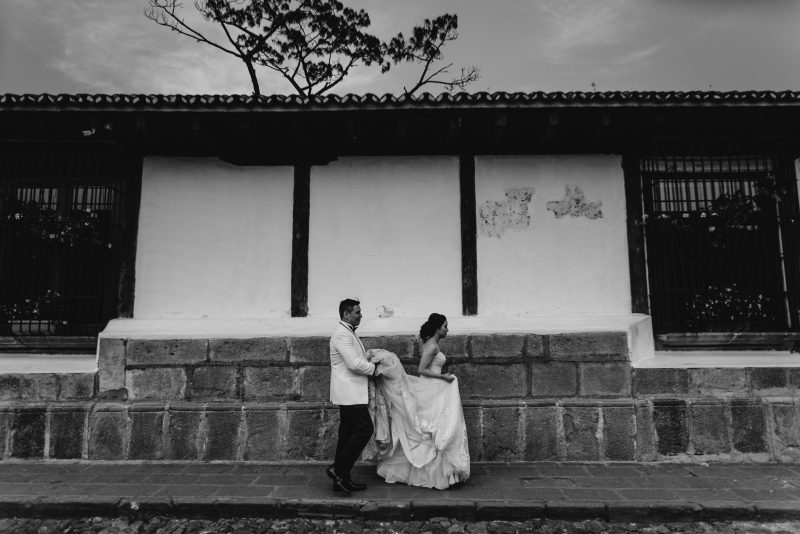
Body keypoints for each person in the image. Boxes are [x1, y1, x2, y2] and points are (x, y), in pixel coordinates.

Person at [368, 313, 470, 490]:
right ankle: (431, 475)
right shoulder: (432, 347)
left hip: (436, 388)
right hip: (431, 388)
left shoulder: (433, 345)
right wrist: (443, 377)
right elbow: (422, 370)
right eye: (445, 326)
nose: (448, 329)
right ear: (438, 328)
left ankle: (434, 472)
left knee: (434, 427)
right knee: (430, 427)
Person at [326, 298, 379, 495]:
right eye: (357, 312)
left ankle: (341, 479)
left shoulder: (347, 332)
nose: (361, 315)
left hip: (351, 392)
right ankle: (337, 469)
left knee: (347, 434)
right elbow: (354, 364)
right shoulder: (341, 334)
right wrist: (375, 369)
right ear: (346, 314)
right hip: (349, 393)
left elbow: (357, 359)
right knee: (365, 429)